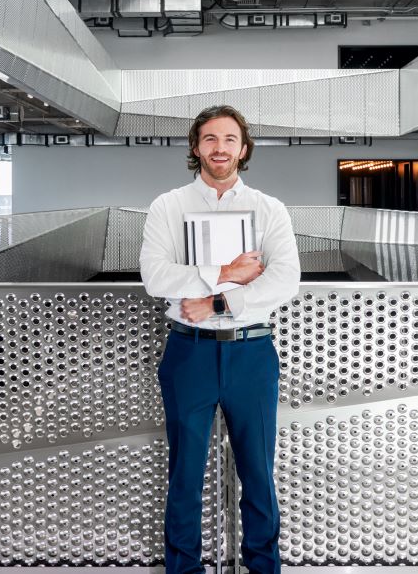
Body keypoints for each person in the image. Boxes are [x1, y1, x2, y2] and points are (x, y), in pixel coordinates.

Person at [140, 105, 300, 574]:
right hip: (187, 353)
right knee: (186, 474)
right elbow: (155, 277)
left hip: (251, 351)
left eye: (229, 139)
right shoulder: (168, 206)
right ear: (196, 147)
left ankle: (263, 567)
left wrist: (215, 302)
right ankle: (183, 569)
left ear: (243, 149)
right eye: (210, 139)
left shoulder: (269, 209)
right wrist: (227, 274)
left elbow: (285, 280)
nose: (220, 148)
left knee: (257, 473)